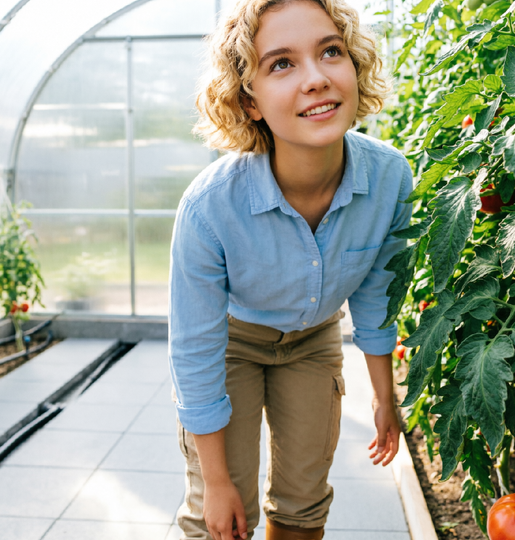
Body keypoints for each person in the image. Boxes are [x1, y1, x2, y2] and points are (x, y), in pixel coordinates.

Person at [169, 1, 412, 538]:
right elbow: (195, 348)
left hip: (311, 337)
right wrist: (216, 483)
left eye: (330, 51)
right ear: (248, 99)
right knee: (223, 519)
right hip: (231, 342)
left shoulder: (390, 178)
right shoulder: (210, 208)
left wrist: (383, 397)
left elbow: (377, 293)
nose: (317, 79)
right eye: (281, 63)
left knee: (304, 506)